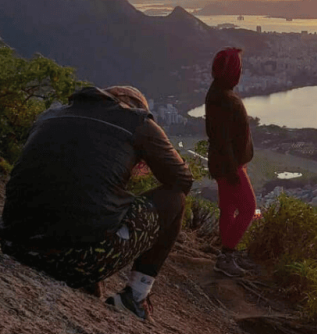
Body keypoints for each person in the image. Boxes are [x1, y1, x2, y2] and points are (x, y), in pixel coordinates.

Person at [0, 86, 193, 320]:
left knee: (96, 195)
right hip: (71, 263)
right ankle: (135, 296)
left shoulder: (51, 115)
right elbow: (182, 180)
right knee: (174, 199)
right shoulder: (137, 122)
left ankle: (95, 278)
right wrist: (147, 152)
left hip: (13, 243)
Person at [204, 47, 257, 276]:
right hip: (229, 166)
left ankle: (228, 255)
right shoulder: (222, 98)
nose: (240, 72)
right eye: (238, 68)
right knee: (248, 208)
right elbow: (221, 138)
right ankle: (226, 256)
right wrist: (233, 171)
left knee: (228, 209)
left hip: (228, 164)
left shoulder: (220, 91)